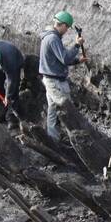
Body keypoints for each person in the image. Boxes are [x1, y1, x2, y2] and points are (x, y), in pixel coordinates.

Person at [38, 10, 86, 141]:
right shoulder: (53, 39)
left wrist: (76, 61)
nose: (66, 31)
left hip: (50, 79)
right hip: (55, 82)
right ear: (63, 25)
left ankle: (53, 138)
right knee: (67, 108)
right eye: (67, 28)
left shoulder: (50, 37)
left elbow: (58, 59)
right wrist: (77, 45)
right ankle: (76, 138)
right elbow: (64, 58)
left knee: (52, 110)